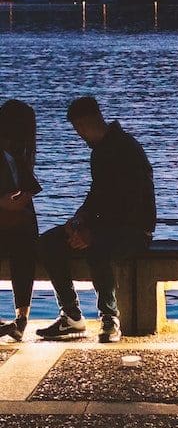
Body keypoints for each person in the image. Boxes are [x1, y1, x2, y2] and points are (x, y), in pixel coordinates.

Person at [35, 96, 156, 343]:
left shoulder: (126, 149)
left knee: (97, 248)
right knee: (49, 242)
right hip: (105, 226)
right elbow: (97, 195)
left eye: (78, 129)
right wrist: (79, 219)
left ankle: (110, 318)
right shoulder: (100, 151)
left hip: (134, 231)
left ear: (85, 123)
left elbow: (132, 206)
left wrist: (92, 233)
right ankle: (71, 315)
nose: (79, 135)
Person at [0, 100, 42, 341]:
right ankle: (21, 317)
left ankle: (21, 317)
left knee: (25, 247)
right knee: (23, 244)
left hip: (14, 223)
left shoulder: (17, 156)